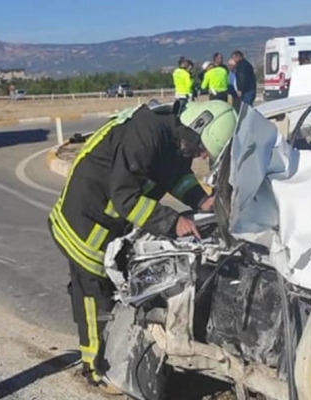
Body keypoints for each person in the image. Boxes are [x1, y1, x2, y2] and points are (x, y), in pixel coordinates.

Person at [48, 100, 237, 394]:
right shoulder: (145, 137)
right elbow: (124, 197)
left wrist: (201, 200)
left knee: (113, 292)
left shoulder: (173, 135)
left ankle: (109, 352)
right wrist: (172, 222)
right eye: (202, 149)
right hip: (84, 226)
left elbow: (175, 174)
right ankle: (94, 368)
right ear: (196, 128)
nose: (201, 155)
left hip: (106, 226)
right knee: (94, 298)